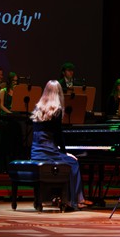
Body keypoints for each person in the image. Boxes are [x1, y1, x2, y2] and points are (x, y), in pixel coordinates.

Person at [29, 80, 90, 210]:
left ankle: (60, 197)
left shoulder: (37, 108)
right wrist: (64, 152)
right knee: (73, 163)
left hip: (36, 152)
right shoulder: (57, 110)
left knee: (68, 162)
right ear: (59, 93)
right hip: (49, 152)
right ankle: (75, 200)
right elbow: (58, 136)